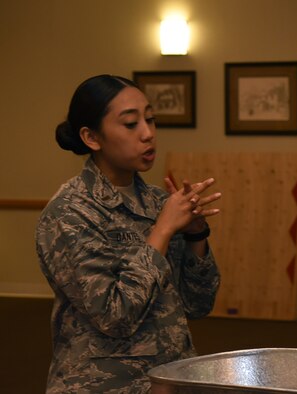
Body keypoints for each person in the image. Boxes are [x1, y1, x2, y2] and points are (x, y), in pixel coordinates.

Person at [36, 74, 221, 393]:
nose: (148, 134)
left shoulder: (158, 201)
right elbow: (114, 315)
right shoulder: (69, 213)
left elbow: (198, 304)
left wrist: (195, 235)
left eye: (150, 120)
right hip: (106, 385)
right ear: (91, 137)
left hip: (170, 379)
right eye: (131, 124)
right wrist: (162, 230)